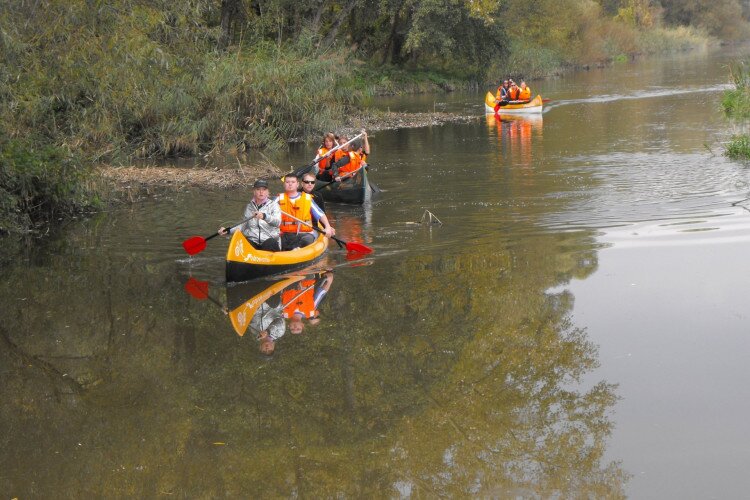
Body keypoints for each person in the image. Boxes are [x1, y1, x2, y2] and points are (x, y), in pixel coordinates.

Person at [218, 178, 281, 251]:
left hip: (269, 240)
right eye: (258, 189)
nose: (261, 192)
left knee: (270, 243)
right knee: (242, 243)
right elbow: (242, 226)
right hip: (253, 240)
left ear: (267, 192)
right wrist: (228, 231)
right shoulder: (249, 207)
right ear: (254, 191)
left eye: (264, 189)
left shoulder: (274, 205)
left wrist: (264, 216)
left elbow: (278, 223)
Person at [277, 174, 335, 250]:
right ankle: (292, 248)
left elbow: (321, 214)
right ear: (284, 184)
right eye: (287, 182)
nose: (290, 184)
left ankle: (295, 248)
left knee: (307, 240)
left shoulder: (309, 198)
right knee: (276, 241)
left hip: (305, 232)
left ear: (297, 184)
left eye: (293, 182)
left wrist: (327, 227)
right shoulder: (278, 199)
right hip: (286, 232)